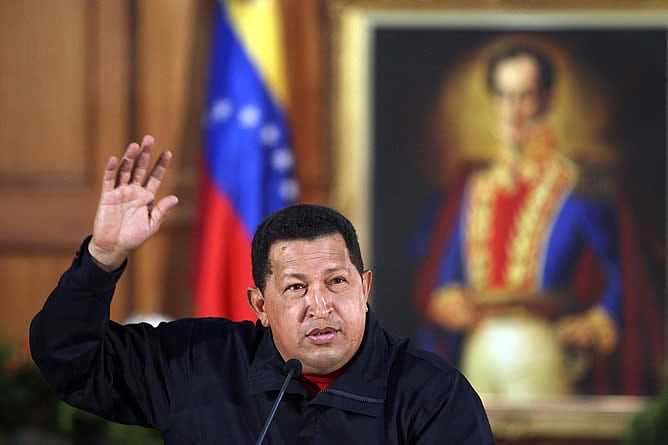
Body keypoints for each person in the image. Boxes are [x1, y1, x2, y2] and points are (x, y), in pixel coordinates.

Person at [29, 135, 495, 444]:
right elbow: (70, 360)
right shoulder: (198, 363)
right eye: (295, 287)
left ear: (364, 287)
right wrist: (103, 257)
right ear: (261, 304)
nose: (320, 305)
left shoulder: (432, 395)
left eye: (336, 282)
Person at [416, 43, 627, 398]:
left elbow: (621, 272)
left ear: (546, 100)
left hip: (542, 349)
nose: (513, 111)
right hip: (479, 348)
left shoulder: (576, 185)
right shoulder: (474, 186)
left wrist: (598, 321)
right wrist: (447, 296)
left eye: (525, 96)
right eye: (503, 96)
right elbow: (447, 274)